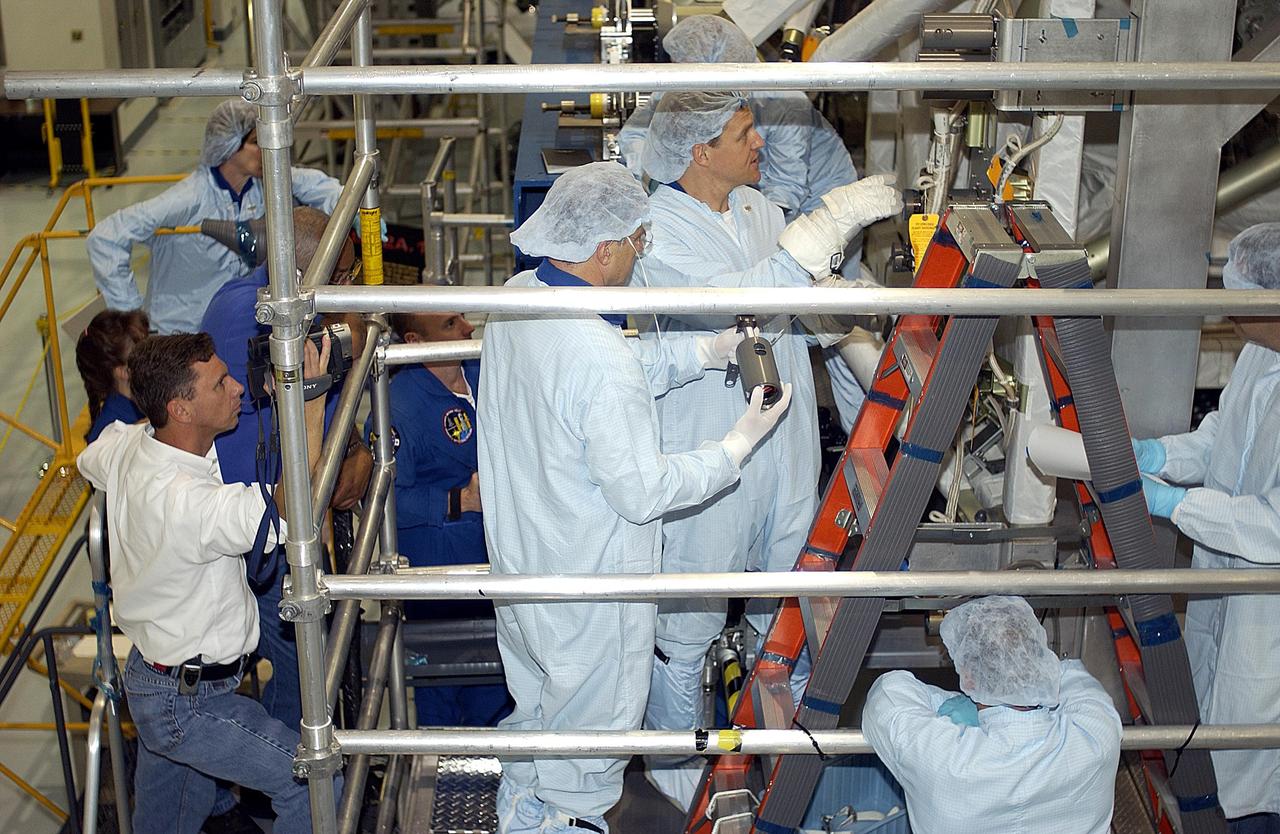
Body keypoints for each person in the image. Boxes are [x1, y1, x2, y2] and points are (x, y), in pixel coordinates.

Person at [478, 161, 793, 833]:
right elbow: (643, 490)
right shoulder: (599, 357)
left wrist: (703, 353)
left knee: (535, 725)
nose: (642, 252)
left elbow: (596, 382)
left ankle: (521, 822)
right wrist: (736, 445)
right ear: (604, 250)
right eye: (638, 239)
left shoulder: (518, 298)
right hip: (592, 595)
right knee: (587, 765)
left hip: (525, 572)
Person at [636, 90, 901, 808]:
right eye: (745, 133)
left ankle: (782, 770)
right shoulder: (656, 229)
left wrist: (844, 310)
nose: (762, 146)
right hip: (708, 452)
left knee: (783, 611)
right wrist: (818, 236)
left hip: (782, 452)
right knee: (687, 626)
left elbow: (791, 301)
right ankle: (676, 782)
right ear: (699, 152)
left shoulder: (761, 210)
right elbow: (730, 300)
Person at [77, 332, 340, 834]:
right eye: (220, 383)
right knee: (312, 780)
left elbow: (94, 454)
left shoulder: (133, 444)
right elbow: (294, 512)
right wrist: (311, 398)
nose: (238, 387)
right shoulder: (185, 502)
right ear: (180, 409)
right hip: (190, 705)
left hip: (160, 682)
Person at [617, 15, 873, 433]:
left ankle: (861, 433)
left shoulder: (781, 101)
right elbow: (644, 137)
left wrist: (792, 240)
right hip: (736, 195)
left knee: (840, 344)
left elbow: (787, 188)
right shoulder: (691, 96)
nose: (760, 140)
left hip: (809, 199)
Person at [200, 205, 373, 731]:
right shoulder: (246, 312)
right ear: (302, 272)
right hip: (253, 533)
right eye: (340, 276)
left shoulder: (294, 309)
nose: (344, 288)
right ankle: (281, 769)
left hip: (283, 519)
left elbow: (335, 394)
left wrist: (360, 450)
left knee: (313, 656)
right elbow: (343, 353)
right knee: (305, 662)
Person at [1134, 221, 1280, 832]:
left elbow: (1274, 526)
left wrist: (1175, 505)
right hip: (1228, 587)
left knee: (1258, 763)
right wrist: (1160, 456)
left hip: (1268, 611)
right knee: (1218, 736)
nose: (1232, 316)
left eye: (1244, 304)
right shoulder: (1258, 353)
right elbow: (1223, 433)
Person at [863, 596, 1122, 834]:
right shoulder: (1096, 735)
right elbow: (1071, 675)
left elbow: (888, 690)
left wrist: (953, 704)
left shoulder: (944, 760)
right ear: (1040, 662)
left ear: (969, 678)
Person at [87, 98, 343, 334]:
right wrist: (132, 316)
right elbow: (105, 237)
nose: (266, 149)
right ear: (229, 145)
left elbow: (312, 184)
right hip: (178, 334)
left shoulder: (258, 186)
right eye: (256, 142)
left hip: (228, 323)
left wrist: (351, 210)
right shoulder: (188, 199)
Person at [376, 306, 512, 727]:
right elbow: (387, 499)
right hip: (444, 580)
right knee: (444, 693)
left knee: (505, 683)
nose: (468, 328)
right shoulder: (398, 407)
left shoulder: (483, 371)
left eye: (463, 318)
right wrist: (460, 500)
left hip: (502, 567)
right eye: (450, 324)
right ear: (415, 343)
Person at [76, 309, 149, 442]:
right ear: (123, 371)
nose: (153, 351)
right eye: (143, 349)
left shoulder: (148, 396)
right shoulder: (109, 434)